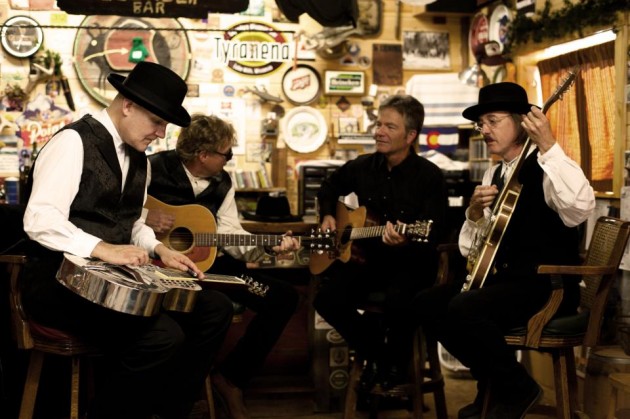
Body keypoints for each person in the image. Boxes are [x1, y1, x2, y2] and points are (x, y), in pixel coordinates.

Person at [21, 61, 234, 419]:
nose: (162, 134)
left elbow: (132, 222)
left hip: (115, 284)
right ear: (128, 105)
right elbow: (39, 219)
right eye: (157, 122)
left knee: (215, 309)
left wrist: (160, 248)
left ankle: (168, 410)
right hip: (61, 284)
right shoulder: (73, 142)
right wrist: (103, 248)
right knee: (162, 336)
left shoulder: (141, 161)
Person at [413, 82, 596, 419]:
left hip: (547, 286)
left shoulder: (548, 164)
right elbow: (471, 248)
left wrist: (549, 146)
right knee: (427, 303)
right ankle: (497, 383)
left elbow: (580, 209)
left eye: (493, 121)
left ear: (522, 122)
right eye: (481, 123)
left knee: (465, 308)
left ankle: (514, 388)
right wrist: (474, 213)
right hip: (504, 283)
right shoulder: (494, 172)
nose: (484, 130)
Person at [145, 113, 301, 419]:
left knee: (283, 298)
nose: (229, 159)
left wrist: (267, 244)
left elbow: (231, 236)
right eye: (226, 154)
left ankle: (231, 378)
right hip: (159, 268)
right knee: (211, 308)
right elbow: (123, 211)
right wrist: (147, 219)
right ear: (203, 154)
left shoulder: (223, 182)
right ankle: (174, 400)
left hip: (214, 267)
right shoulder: (152, 168)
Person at [312, 94, 448, 392]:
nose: (379, 132)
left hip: (411, 264)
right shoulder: (363, 166)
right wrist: (328, 215)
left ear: (410, 136)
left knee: (400, 300)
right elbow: (329, 186)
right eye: (379, 124)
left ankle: (391, 366)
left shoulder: (429, 177)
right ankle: (380, 355)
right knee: (326, 299)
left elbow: (434, 232)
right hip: (369, 262)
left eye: (390, 126)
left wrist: (404, 242)